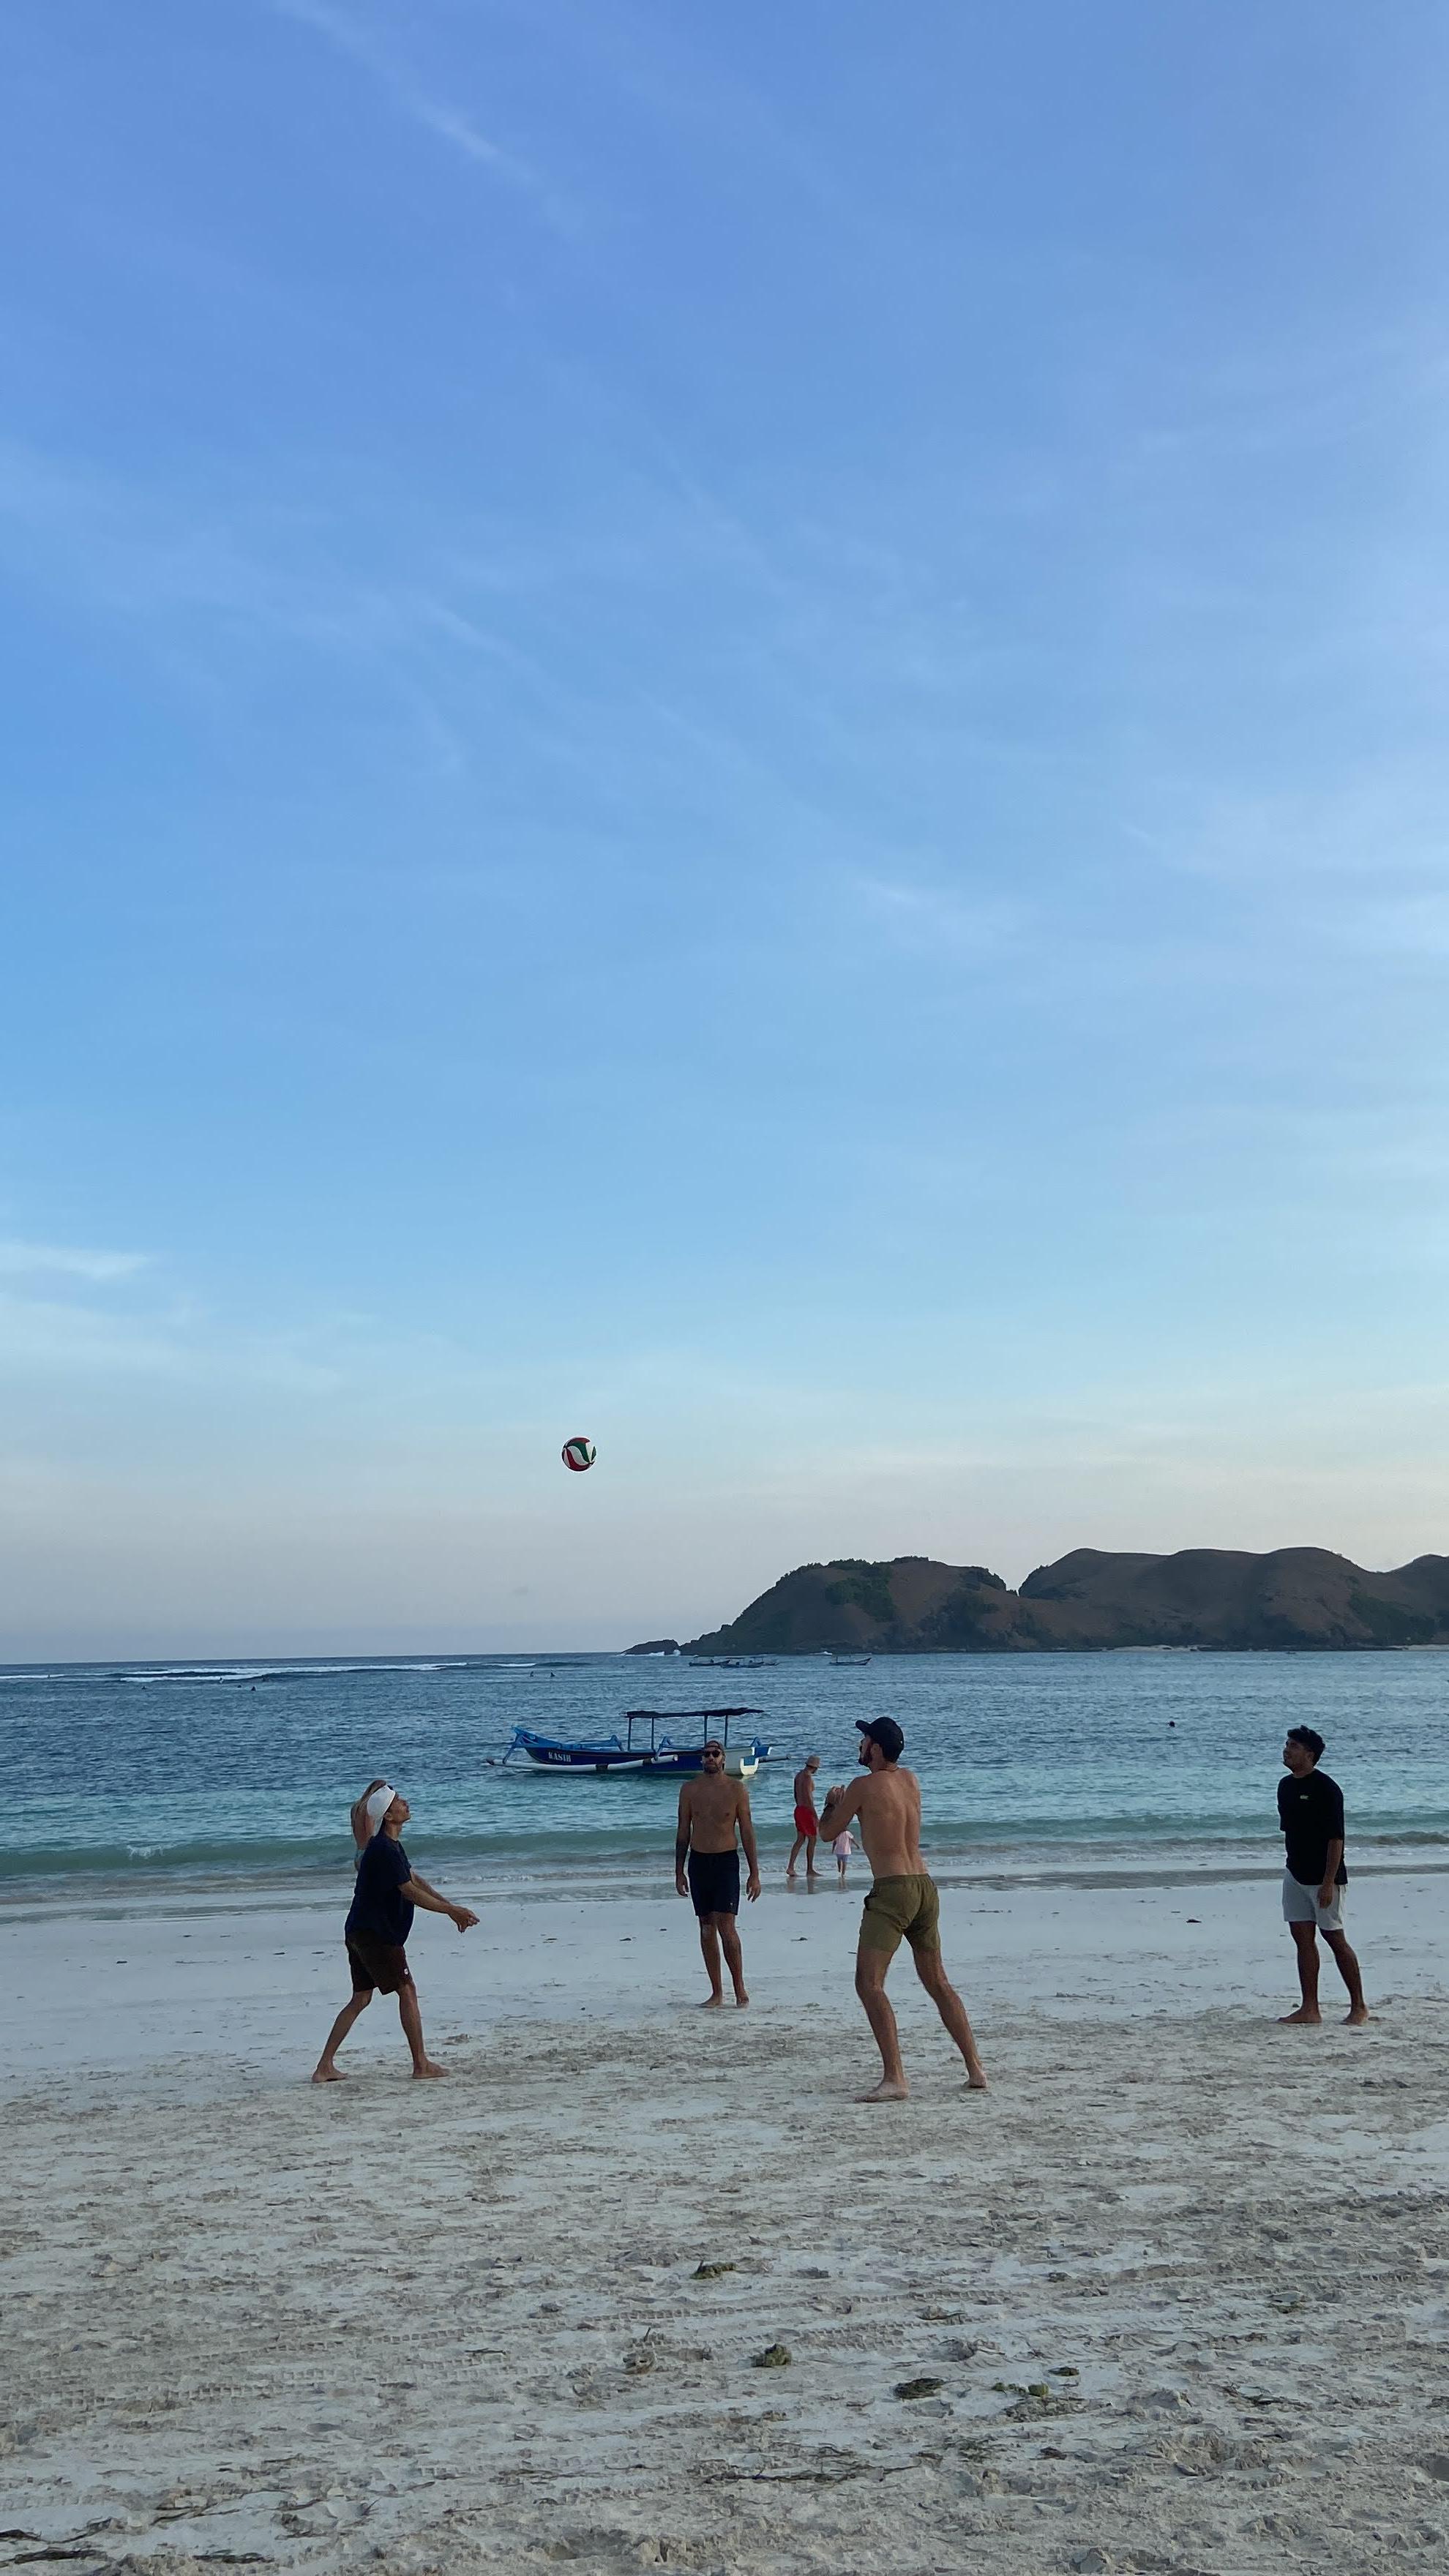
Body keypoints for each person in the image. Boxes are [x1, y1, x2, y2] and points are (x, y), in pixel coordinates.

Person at [819, 1720, 987, 2102]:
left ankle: (895, 2077)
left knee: (869, 1984)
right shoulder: (911, 1780)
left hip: (893, 1891)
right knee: (938, 1982)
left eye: (864, 1740)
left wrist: (831, 1803)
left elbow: (826, 1833)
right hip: (924, 1886)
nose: (860, 1745)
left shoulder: (862, 1786)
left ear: (876, 1748)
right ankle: (976, 2069)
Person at [312, 1784, 479, 2082]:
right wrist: (449, 1911)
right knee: (407, 1990)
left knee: (361, 1998)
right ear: (388, 1816)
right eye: (399, 1801)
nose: (405, 1803)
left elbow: (414, 1879)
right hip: (376, 1934)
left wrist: (451, 1907)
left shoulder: (390, 1846)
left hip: (360, 1930)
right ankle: (421, 2065)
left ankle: (324, 2066)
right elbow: (409, 1892)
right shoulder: (383, 1849)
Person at [1276, 1728, 1368, 2027]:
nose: (1286, 1749)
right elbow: (1292, 1832)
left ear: (1309, 1754)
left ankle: (1359, 2006)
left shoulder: (1327, 1788)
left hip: (1325, 1877)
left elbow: (1336, 1838)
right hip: (1295, 1872)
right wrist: (1293, 1869)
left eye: (1293, 1746)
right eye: (1287, 1744)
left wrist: (1328, 1882)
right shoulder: (1285, 1786)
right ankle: (1310, 2008)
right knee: (1302, 1939)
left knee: (1334, 1938)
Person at [675, 1740, 761, 2007]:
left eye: (715, 1753)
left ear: (723, 1759)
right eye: (706, 1754)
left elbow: (747, 1831)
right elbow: (683, 1832)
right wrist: (679, 1871)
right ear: (702, 1759)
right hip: (699, 1862)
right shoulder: (689, 1790)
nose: (710, 1757)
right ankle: (716, 1992)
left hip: (726, 1862)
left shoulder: (737, 1790)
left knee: (727, 1926)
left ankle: (739, 1988)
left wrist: (754, 1873)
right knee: (706, 1926)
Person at [787, 1753, 822, 1879]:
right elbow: (809, 1797)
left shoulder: (798, 1775)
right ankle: (810, 1869)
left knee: (800, 1839)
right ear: (815, 1767)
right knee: (812, 1840)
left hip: (799, 1809)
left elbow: (795, 1794)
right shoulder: (808, 1778)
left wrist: (799, 1807)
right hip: (806, 1810)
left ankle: (791, 1867)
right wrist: (815, 1814)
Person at [828, 1792, 853, 1882]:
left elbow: (834, 1842)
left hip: (839, 1851)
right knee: (844, 1862)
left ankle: (841, 1871)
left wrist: (832, 1849)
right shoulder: (846, 1833)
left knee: (840, 1861)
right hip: (845, 1851)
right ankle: (842, 1872)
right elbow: (852, 1840)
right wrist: (857, 1845)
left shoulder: (838, 1833)